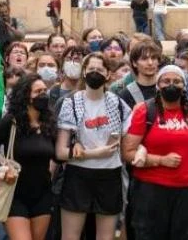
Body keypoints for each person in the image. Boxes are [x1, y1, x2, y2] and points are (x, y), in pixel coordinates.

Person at [122, 64, 188, 240]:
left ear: (184, 86)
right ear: (158, 85)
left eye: (177, 81)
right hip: (151, 191)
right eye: (166, 81)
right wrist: (160, 160)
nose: (171, 85)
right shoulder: (145, 111)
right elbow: (128, 152)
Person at [55, 53, 132, 240]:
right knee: (70, 236)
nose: (95, 73)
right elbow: (61, 152)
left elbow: (127, 144)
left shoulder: (118, 104)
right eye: (91, 69)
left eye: (100, 70)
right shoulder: (71, 102)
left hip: (110, 175)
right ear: (83, 72)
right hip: (78, 175)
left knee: (106, 237)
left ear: (108, 75)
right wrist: (93, 153)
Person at [0, 73, 57, 240]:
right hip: (14, 194)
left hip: (43, 194)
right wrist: (0, 168)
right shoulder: (11, 122)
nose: (43, 95)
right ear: (26, 96)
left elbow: (58, 155)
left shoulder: (49, 123)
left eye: (45, 91)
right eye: (38, 91)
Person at [120, 40, 161, 108]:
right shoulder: (126, 94)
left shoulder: (166, 88)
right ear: (134, 63)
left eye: (153, 58)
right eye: (144, 59)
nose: (150, 63)